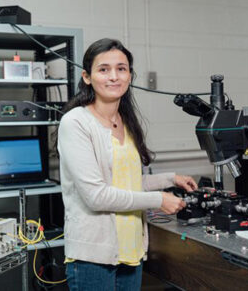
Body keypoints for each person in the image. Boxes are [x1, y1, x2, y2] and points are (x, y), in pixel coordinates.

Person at [57, 38, 198, 291]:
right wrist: (159, 200)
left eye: (121, 69)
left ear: (130, 76)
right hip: (94, 256)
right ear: (87, 77)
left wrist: (170, 179)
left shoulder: (126, 121)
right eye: (104, 69)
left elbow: (125, 183)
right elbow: (97, 196)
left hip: (131, 250)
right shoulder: (76, 122)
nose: (114, 76)